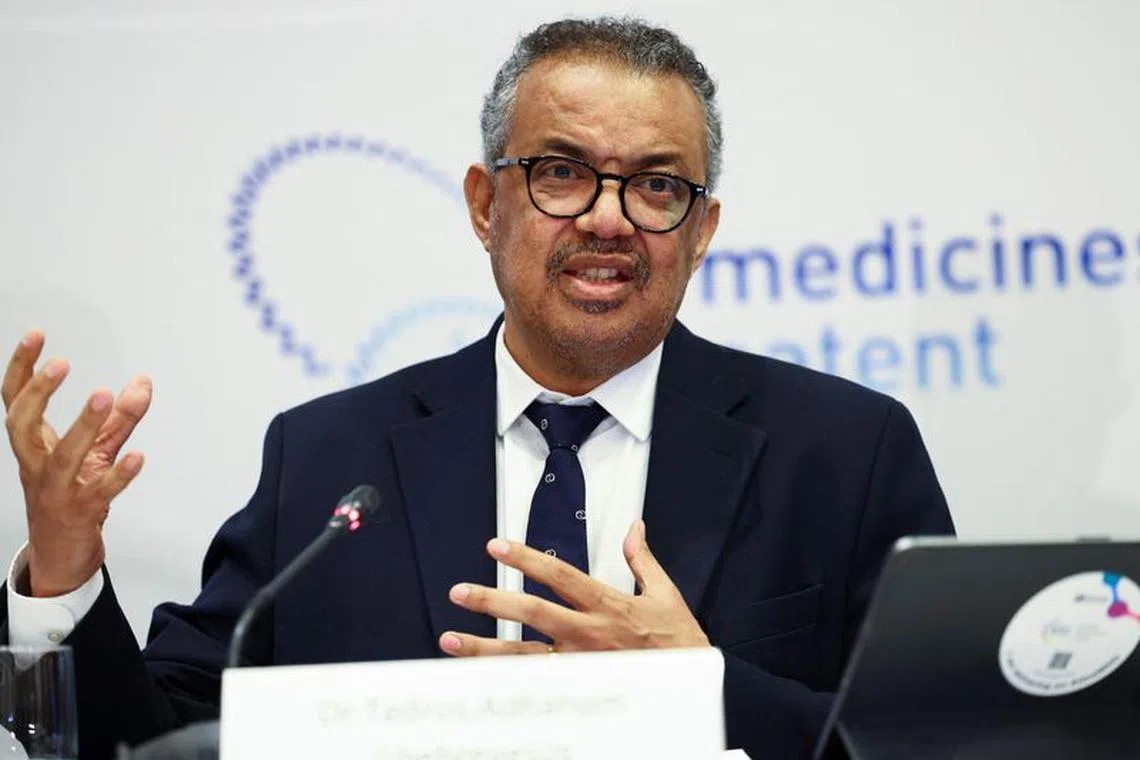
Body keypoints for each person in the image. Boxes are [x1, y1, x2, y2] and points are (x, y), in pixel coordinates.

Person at [0, 16, 954, 760]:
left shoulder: (843, 452)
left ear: (702, 229)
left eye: (657, 186)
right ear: (484, 204)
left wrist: (699, 686)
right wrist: (64, 571)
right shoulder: (334, 459)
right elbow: (153, 744)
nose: (609, 219)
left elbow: (941, 739)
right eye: (561, 173)